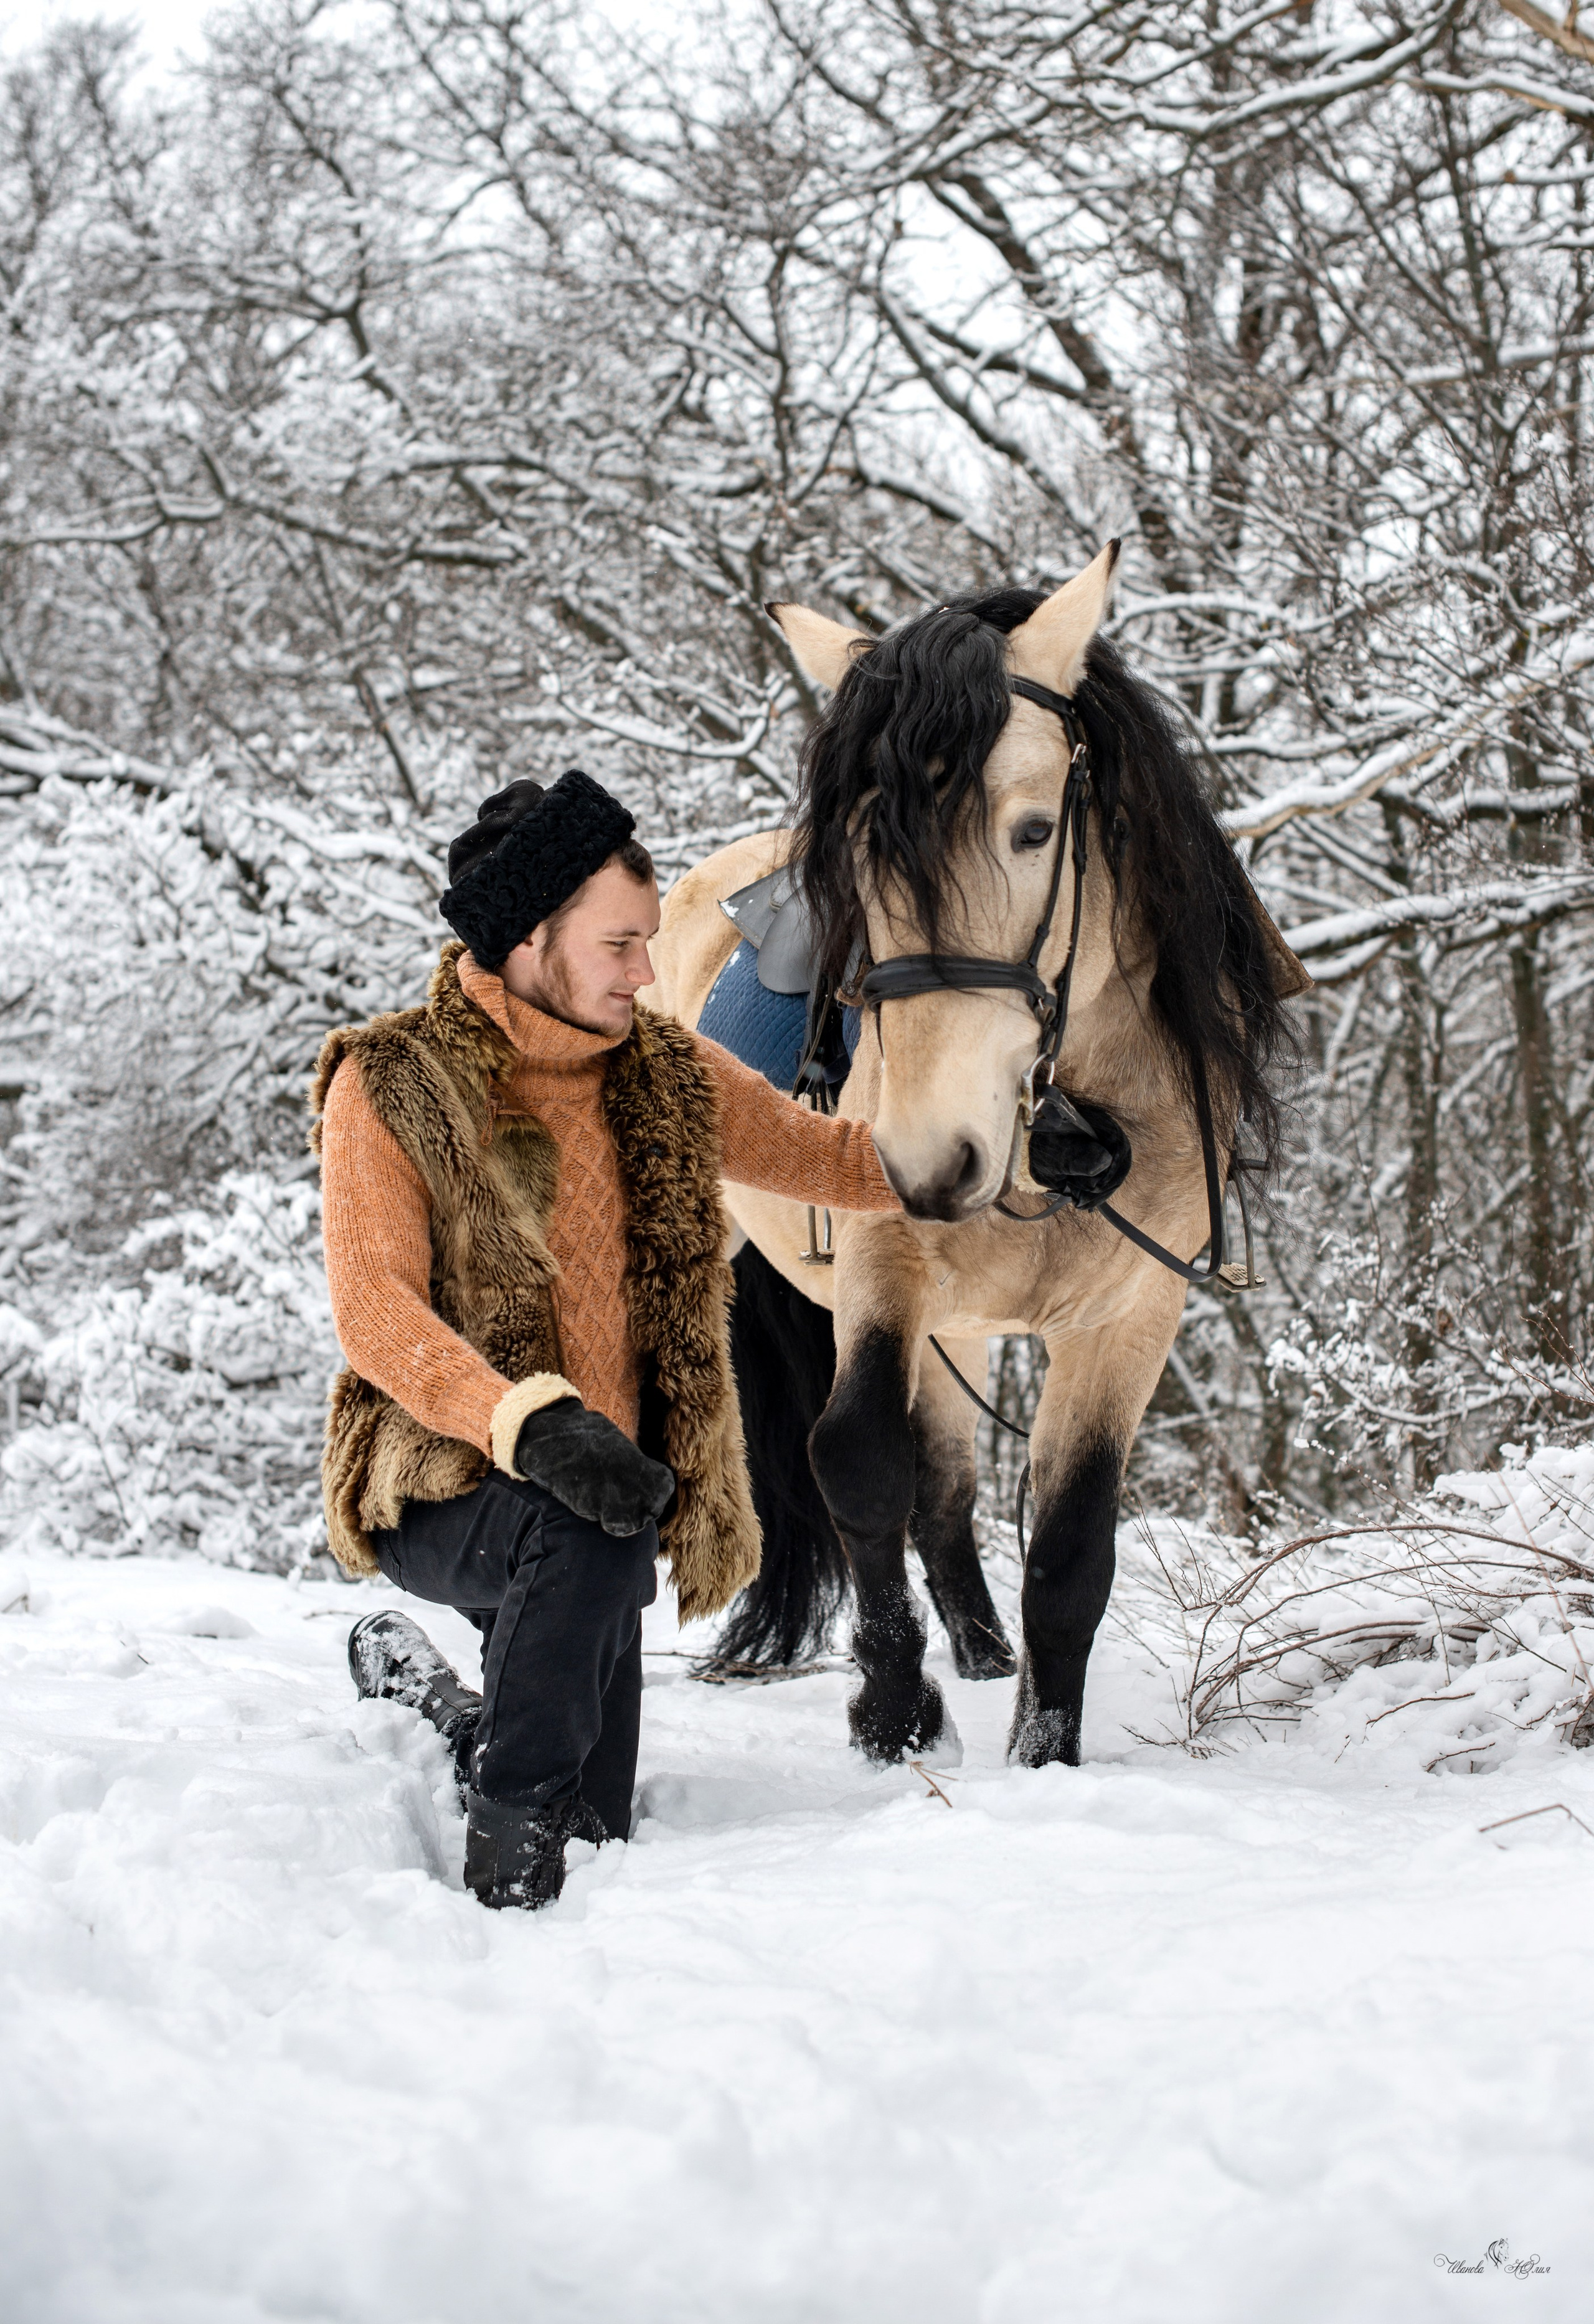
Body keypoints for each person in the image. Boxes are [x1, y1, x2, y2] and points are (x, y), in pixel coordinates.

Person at [312, 768, 897, 1910]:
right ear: (531, 941)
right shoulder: (392, 1084)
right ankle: (506, 1863)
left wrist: (1014, 1157)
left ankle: (453, 1711)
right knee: (576, 1575)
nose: (646, 971)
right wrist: (527, 1422)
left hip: (607, 1504)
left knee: (601, 1790)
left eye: (648, 943)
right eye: (622, 943)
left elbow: (832, 1158)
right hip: (443, 1478)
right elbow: (376, 1314)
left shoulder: (665, 1075)